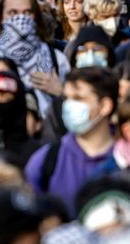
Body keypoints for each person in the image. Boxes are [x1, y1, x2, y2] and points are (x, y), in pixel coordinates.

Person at [23, 67, 118, 214]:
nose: (68, 106)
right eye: (66, 98)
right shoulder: (45, 160)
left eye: (79, 98)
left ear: (105, 106)